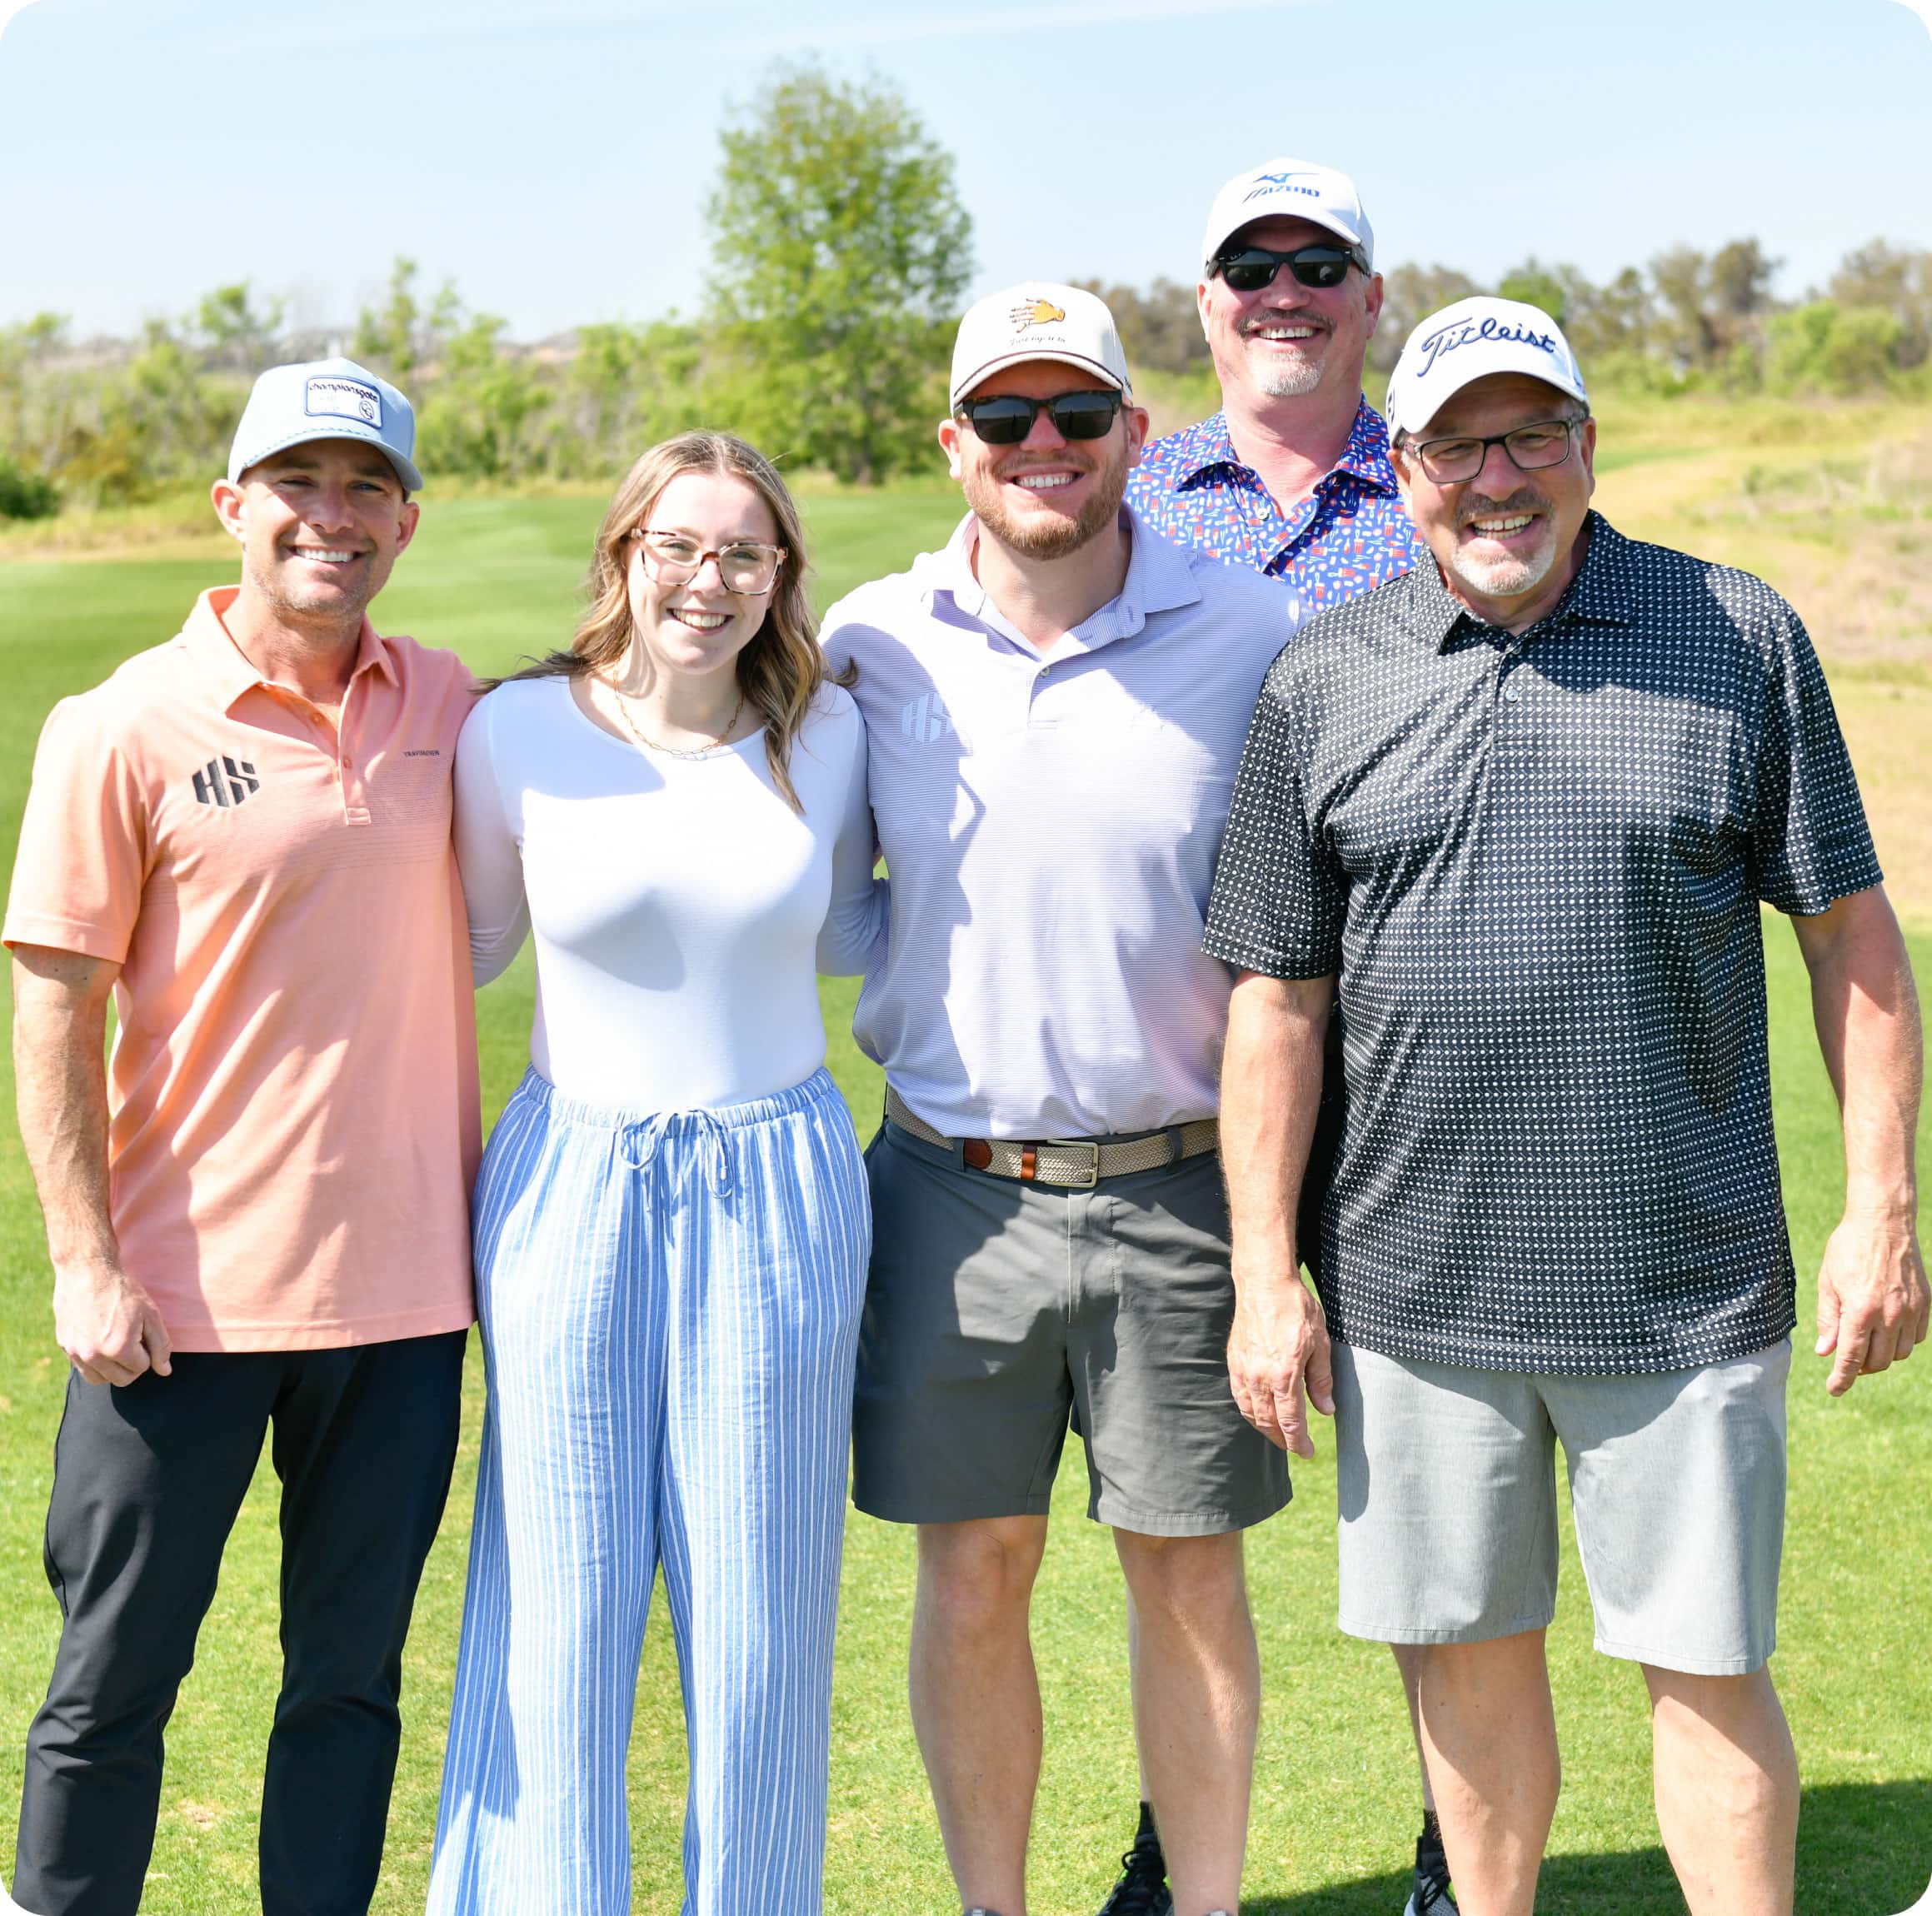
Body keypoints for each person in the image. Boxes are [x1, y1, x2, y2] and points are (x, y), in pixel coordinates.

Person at [1207, 296, 1927, 1916]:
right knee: (1461, 1666)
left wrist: (1877, 1206)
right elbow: (1274, 1000)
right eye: (1458, 441)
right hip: (1409, 1294)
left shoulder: (1732, 632)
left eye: (1531, 432)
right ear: (1401, 471)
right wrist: (1266, 1275)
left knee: (1704, 1667)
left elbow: (1848, 936)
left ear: (1586, 449)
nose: (1497, 472)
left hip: (1680, 1287)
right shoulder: (1319, 678)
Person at [820, 284, 1301, 1916]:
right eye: (1007, 419)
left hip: (1175, 1181)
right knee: (970, 1573)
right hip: (947, 1183)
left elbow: (1294, 944)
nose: (1043, 447)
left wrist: (1265, 1245)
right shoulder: (871, 642)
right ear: (952, 443)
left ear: (1130, 436)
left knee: (1183, 1574)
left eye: (1076, 416)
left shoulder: (1245, 631)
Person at [4, 358, 478, 1916]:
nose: (327, 520)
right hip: (176, 1302)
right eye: (297, 486)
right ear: (233, 507)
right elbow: (54, 1013)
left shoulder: (449, 705)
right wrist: (84, 1261)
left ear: (405, 521)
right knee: (112, 1682)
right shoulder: (119, 724)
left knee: (348, 1687)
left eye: (362, 491)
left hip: (406, 1302)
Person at [426, 432, 881, 1916]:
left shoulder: (832, 738)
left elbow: (847, 938)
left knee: (759, 1615)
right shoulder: (516, 735)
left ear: (780, 576)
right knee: (560, 1601)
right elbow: (465, 951)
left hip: (780, 1179)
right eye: (677, 547)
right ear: (623, 556)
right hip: (573, 1179)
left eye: (743, 552)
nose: (708, 579)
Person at [1122, 156, 1445, 1916]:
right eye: (1250, 266)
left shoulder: (1441, 479)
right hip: (1189, 1063)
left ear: (1366, 297)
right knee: (1175, 1509)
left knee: (1425, 1484)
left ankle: (1446, 1851)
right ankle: (1177, 1851)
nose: (1283, 292)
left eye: (1318, 264)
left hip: (1412, 1061)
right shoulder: (1134, 494)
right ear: (1205, 301)